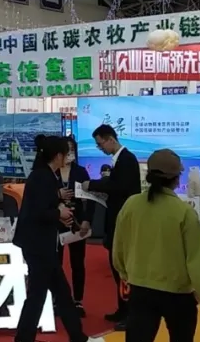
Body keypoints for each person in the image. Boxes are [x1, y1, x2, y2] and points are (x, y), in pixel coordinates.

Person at [113, 149, 200, 342]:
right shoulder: (184, 212)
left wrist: (126, 274)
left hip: (140, 289)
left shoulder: (131, 204)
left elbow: (118, 246)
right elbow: (195, 260)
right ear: (177, 178)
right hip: (178, 294)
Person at [12, 136, 92, 342]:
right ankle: (25, 338)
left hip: (41, 244)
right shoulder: (43, 177)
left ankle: (77, 335)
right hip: (38, 245)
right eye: (66, 153)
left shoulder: (45, 175)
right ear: (58, 156)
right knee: (40, 296)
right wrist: (59, 214)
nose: (68, 157)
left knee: (59, 293)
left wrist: (59, 214)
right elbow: (37, 212)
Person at [82, 124, 141, 329]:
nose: (100, 148)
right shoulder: (120, 160)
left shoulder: (127, 159)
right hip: (117, 219)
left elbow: (119, 187)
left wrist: (94, 185)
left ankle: (130, 314)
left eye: (100, 144)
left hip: (123, 221)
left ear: (110, 139)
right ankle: (123, 309)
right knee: (117, 268)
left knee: (124, 270)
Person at [57, 137, 94, 317]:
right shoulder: (51, 172)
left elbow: (90, 199)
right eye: (66, 149)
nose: (69, 153)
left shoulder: (80, 172)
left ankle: (78, 301)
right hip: (56, 222)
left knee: (78, 263)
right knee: (55, 263)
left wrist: (87, 220)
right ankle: (57, 299)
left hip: (77, 223)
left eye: (72, 149)